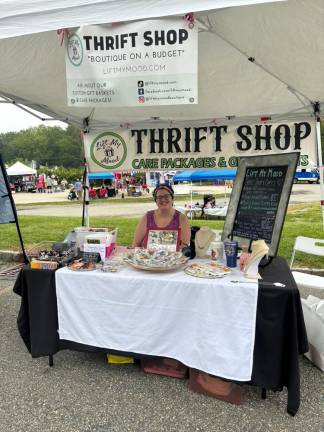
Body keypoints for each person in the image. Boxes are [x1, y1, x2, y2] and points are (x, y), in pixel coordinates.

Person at [132, 184, 191, 249]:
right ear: (156, 200)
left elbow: (184, 247)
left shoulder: (182, 218)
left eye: (166, 196)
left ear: (172, 198)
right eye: (159, 197)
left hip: (172, 258)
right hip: (146, 258)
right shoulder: (147, 217)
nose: (163, 199)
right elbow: (135, 244)